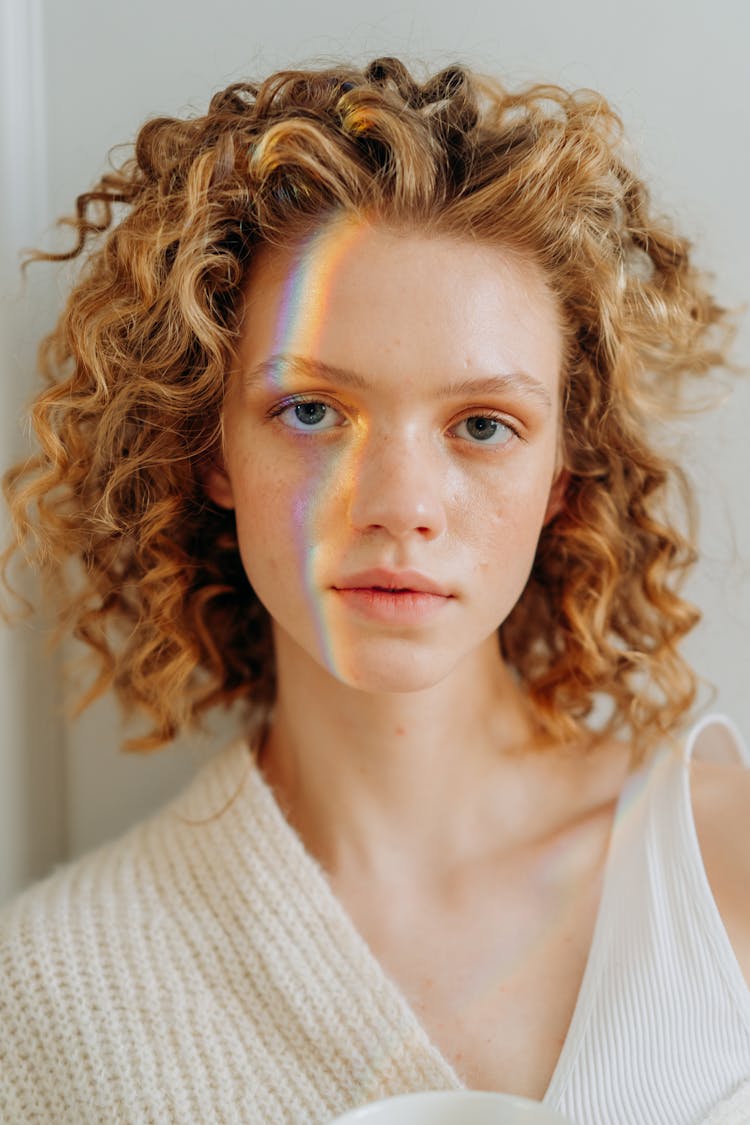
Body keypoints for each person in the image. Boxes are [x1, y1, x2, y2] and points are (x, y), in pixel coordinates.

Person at [1, 56, 748, 1125]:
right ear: (212, 450)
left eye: (482, 426)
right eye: (312, 412)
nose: (399, 506)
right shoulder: (56, 991)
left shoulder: (732, 872)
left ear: (559, 479)